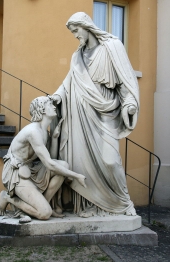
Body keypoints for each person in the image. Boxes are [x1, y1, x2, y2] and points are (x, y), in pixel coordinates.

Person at [52, 12, 140, 217]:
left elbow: (125, 78)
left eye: (75, 30)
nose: (75, 35)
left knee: (110, 160)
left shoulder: (112, 47)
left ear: (86, 26)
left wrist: (129, 102)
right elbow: (69, 82)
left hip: (107, 111)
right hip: (81, 112)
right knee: (83, 161)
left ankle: (124, 203)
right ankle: (91, 204)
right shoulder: (78, 55)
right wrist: (56, 97)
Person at [0, 96, 86, 223]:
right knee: (44, 214)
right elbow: (49, 164)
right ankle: (8, 198)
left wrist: (54, 138)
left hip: (32, 168)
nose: (54, 107)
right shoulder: (33, 131)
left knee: (63, 166)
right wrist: (76, 176)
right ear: (42, 109)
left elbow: (51, 159)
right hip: (17, 174)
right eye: (50, 104)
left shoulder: (44, 131)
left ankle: (45, 204)